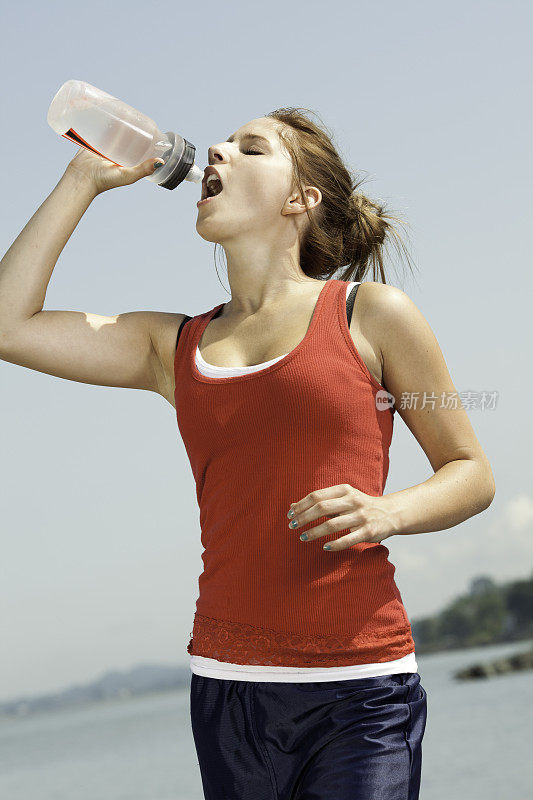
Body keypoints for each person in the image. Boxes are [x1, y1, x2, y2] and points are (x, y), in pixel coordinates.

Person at [0, 107, 495, 800]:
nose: (216, 150)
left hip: (358, 687)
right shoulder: (171, 347)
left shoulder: (371, 314)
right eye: (222, 144)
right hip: (229, 690)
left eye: (249, 147)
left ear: (300, 199)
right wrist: (83, 177)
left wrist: (388, 512)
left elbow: (470, 472)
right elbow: (8, 325)